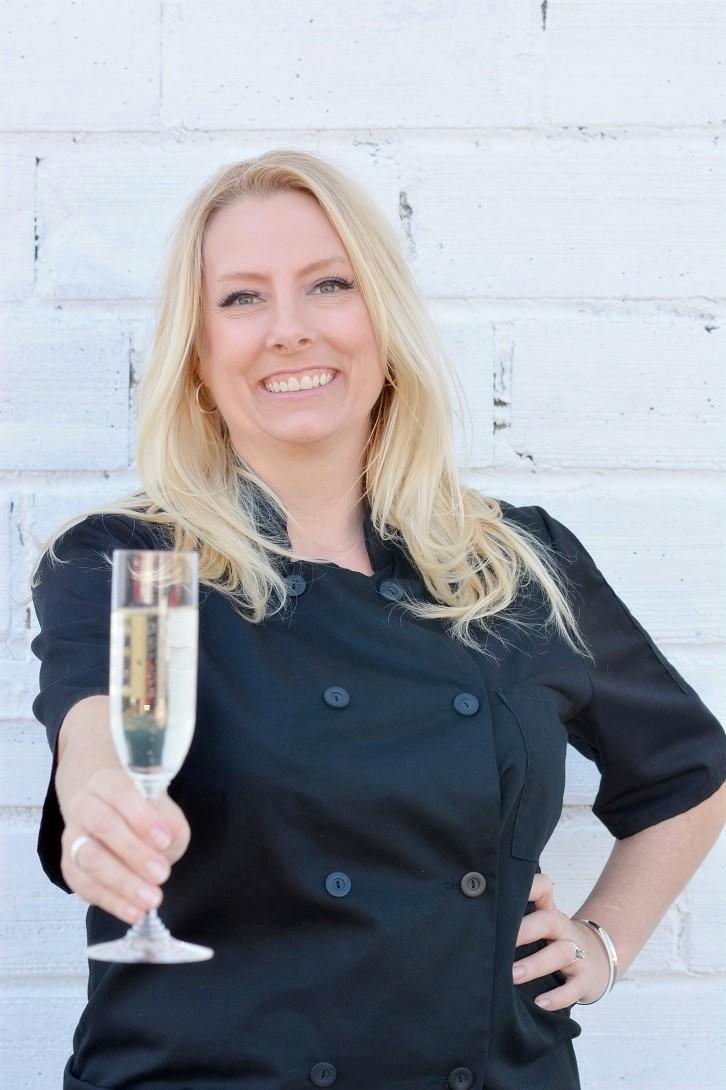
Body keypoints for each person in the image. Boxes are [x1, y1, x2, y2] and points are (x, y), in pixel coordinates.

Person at [29, 148, 726, 1090]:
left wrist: (602, 943)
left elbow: (689, 771)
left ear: (384, 322)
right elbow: (93, 732)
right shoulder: (130, 561)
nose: (289, 329)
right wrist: (99, 811)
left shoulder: (516, 564)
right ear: (197, 352)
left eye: (329, 284)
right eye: (242, 298)